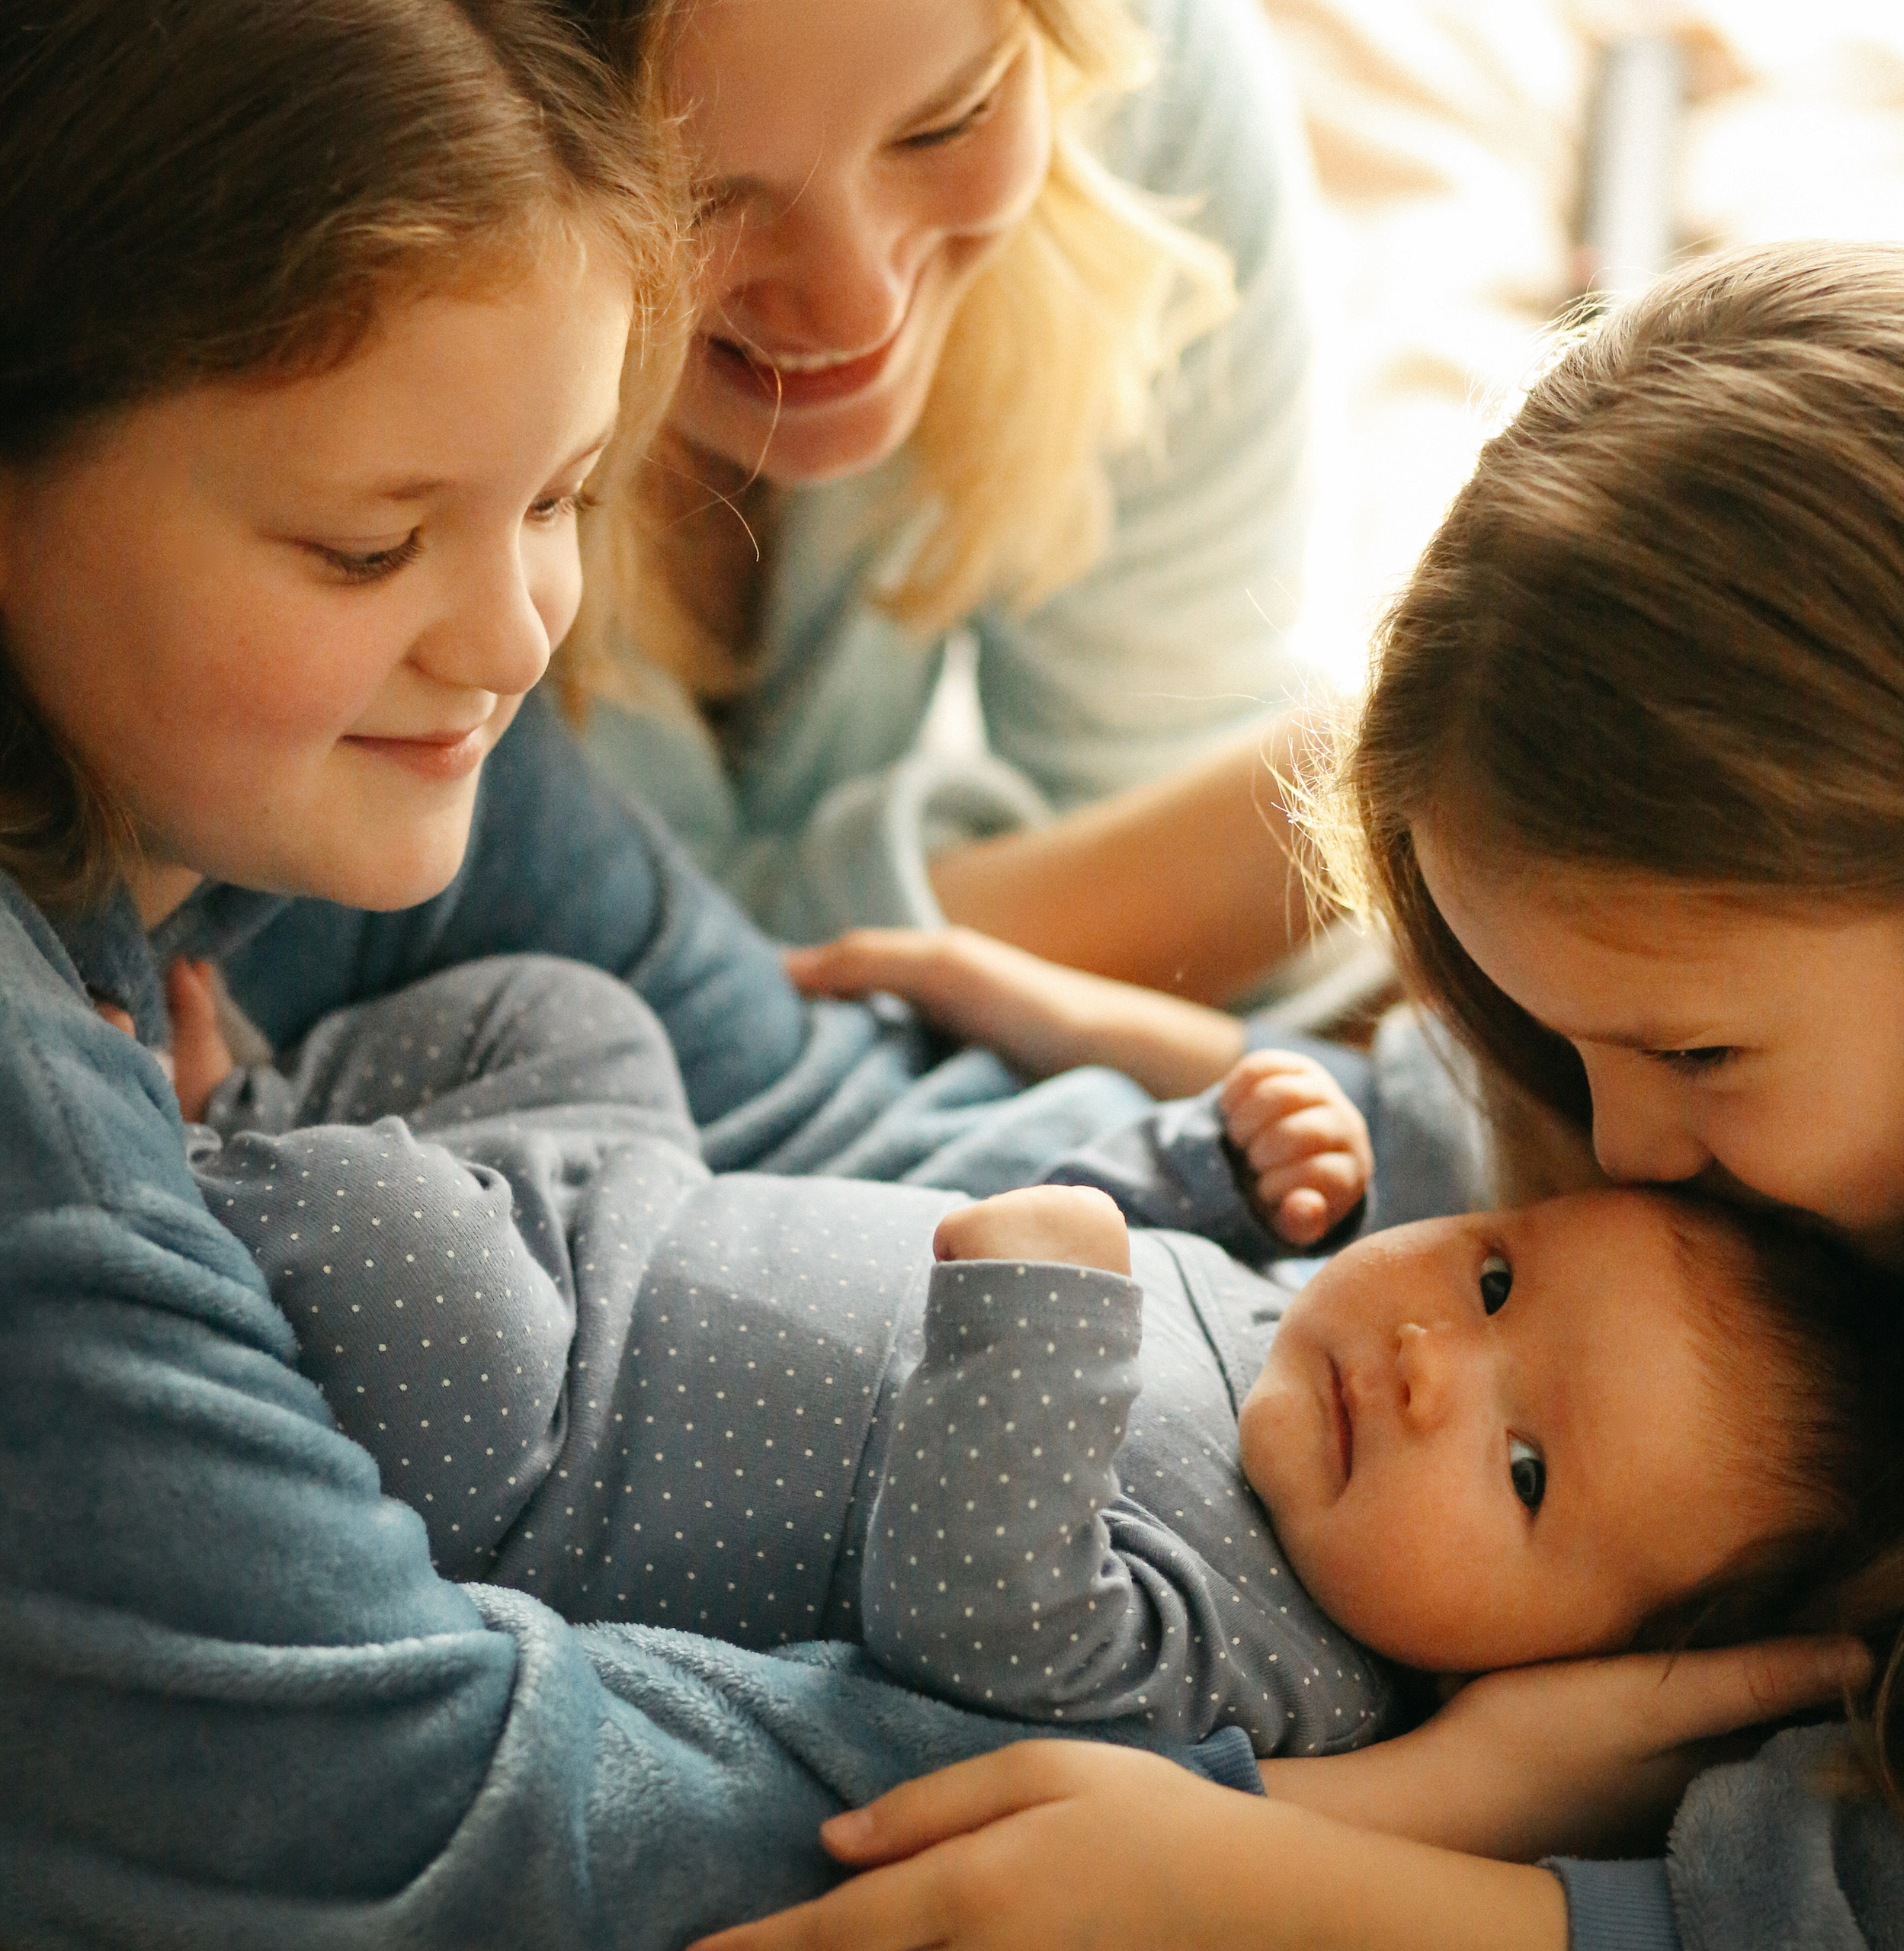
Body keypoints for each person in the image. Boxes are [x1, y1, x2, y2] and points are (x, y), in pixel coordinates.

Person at [0, 6, 1263, 1945]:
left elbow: (800, 1098)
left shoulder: (285, 751)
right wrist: (1323, 1821)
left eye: (567, 498)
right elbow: (425, 1816)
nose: (517, 637)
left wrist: (1353, 1166)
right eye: (365, 548)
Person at [694, 240, 1904, 1951]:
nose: (1623, 1148)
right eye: (1550, 1033)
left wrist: (1285, 1860)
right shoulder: (1661, 1105)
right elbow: (1392, 1117)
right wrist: (1057, 1004)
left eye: (1694, 1054)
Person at [175, 953, 1904, 1764]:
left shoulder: (1289, 1664)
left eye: (1523, 1465)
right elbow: (1025, 1208)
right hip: (634, 1194)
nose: (1424, 1362)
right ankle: (258, 1100)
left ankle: (163, 1158)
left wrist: (1048, 1307)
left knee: (384, 1231)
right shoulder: (1283, 1318)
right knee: (570, 1012)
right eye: (1489, 1278)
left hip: (542, 1436)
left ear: (1567, 1660)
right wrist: (1203, 1163)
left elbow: (981, 1620)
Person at [563, 0, 1323, 1000]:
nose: (859, 309)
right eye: (689, 202)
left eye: (948, 124)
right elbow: (631, 976)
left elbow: (1163, 807)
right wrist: (1403, 763)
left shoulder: (1152, 73)